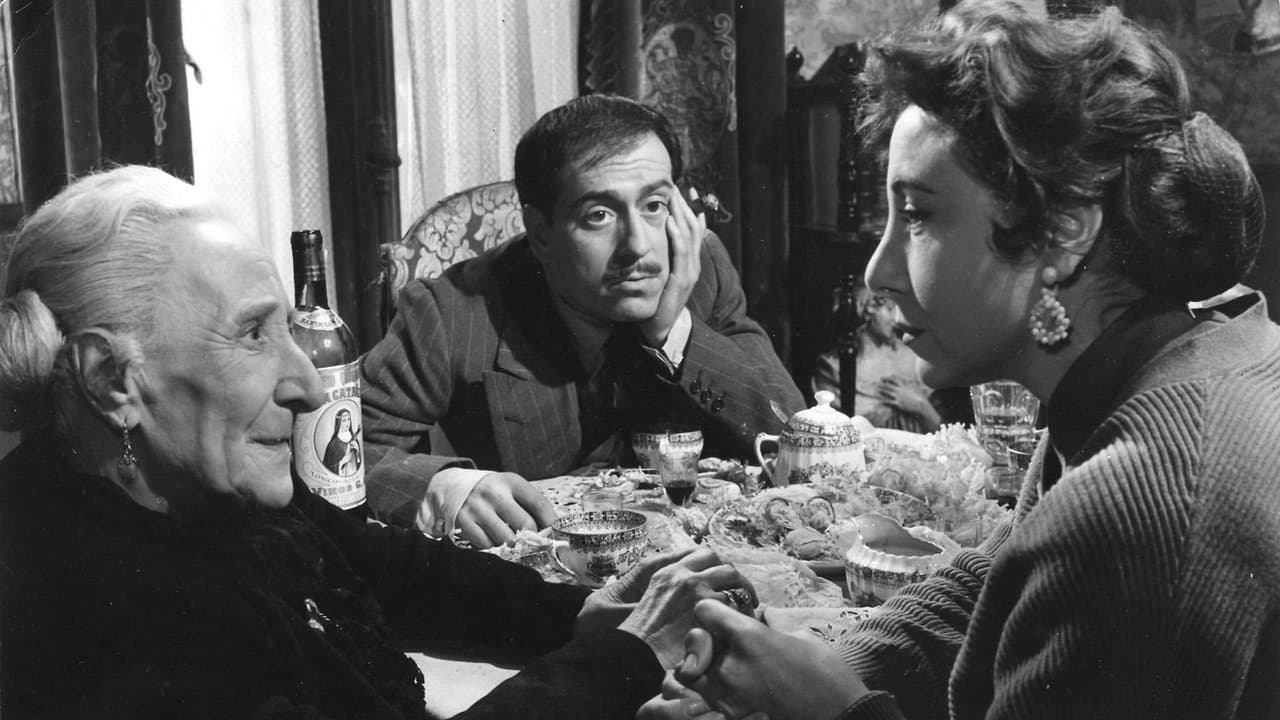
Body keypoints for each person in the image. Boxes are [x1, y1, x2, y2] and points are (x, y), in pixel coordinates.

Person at [641, 2, 1280, 718]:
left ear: (1063, 233)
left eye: (917, 215)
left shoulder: (1141, 504)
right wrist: (808, 666)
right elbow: (998, 580)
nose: (877, 272)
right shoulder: (1163, 357)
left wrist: (837, 708)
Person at [0, 165, 761, 720]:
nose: (307, 387)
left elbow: (393, 569)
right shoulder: (99, 614)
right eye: (253, 335)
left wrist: (580, 612)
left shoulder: (200, 491)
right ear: (111, 380)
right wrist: (626, 657)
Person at [361, 95, 804, 547]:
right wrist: (446, 488)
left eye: (654, 205)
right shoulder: (452, 311)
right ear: (540, 234)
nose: (638, 246)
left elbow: (795, 434)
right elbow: (343, 449)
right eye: (599, 216)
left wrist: (673, 332)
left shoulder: (700, 268)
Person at [811, 286, 943, 432]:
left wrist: (920, 405)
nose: (898, 319)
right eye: (890, 308)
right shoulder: (834, 367)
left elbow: (943, 431)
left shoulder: (911, 355)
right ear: (867, 311)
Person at [323, 408, 362, 476]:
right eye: (344, 420)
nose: (347, 423)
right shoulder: (333, 444)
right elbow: (327, 467)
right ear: (339, 422)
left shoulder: (354, 440)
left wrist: (357, 452)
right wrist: (342, 462)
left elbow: (359, 463)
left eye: (348, 419)